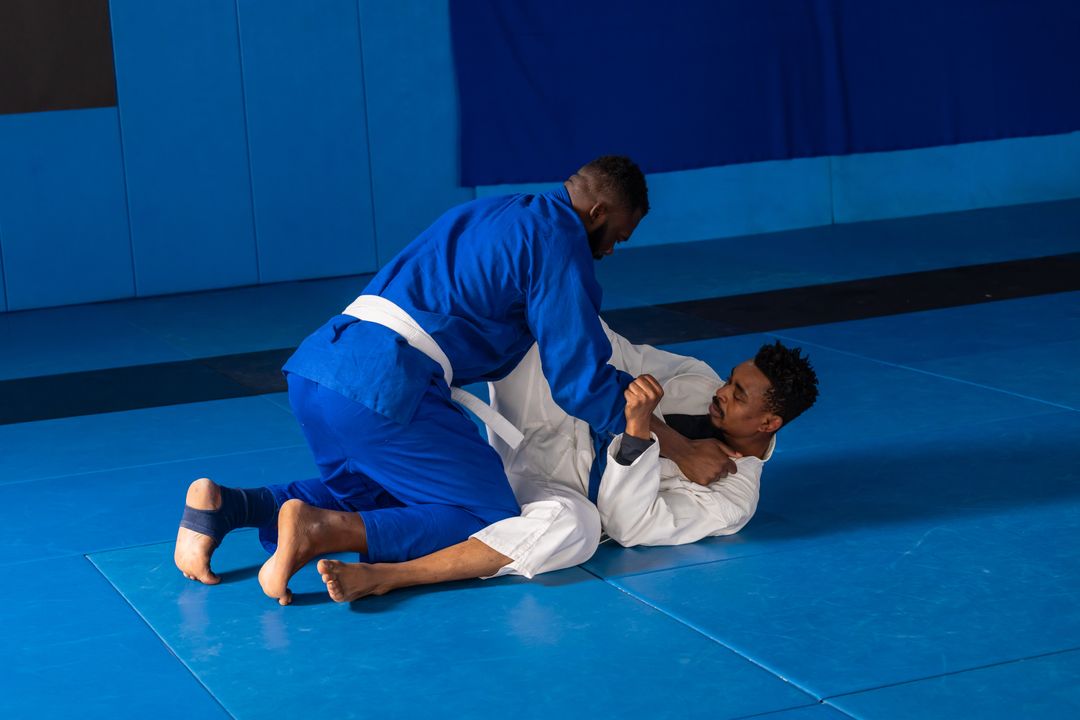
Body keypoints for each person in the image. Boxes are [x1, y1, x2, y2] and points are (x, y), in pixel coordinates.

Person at [174, 156, 650, 604]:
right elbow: (577, 378)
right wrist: (660, 436)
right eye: (617, 236)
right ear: (597, 211)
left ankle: (227, 506)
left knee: (387, 498)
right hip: (386, 383)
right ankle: (321, 532)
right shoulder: (559, 238)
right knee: (488, 517)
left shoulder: (494, 210)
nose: (609, 250)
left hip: (321, 363)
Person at [314, 327, 819, 602]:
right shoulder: (698, 377)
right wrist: (668, 436)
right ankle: (399, 369)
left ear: (768, 422)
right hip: (543, 422)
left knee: (578, 530)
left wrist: (640, 433)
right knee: (547, 328)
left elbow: (630, 525)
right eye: (730, 381)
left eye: (737, 395)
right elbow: (617, 352)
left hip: (558, 491)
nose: (721, 393)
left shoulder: (733, 500)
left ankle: (391, 574)